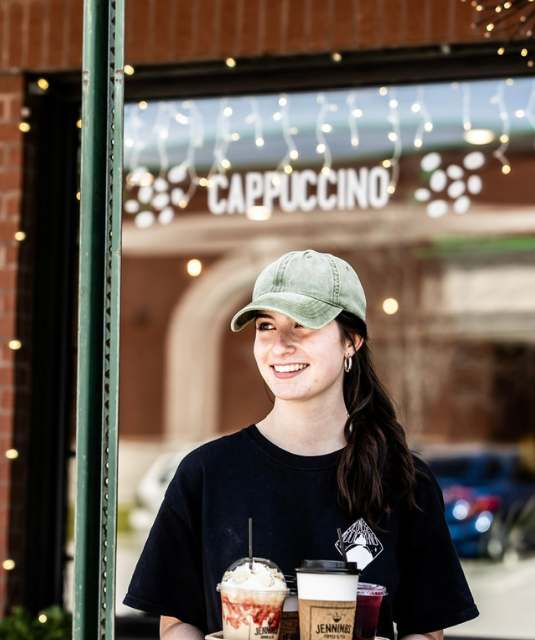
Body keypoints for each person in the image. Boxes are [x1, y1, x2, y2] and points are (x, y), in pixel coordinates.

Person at [124, 249, 479, 640]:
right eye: (266, 326)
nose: (279, 345)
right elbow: (175, 624)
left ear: (352, 341)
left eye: (303, 325)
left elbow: (426, 631)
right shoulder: (207, 473)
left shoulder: (404, 480)